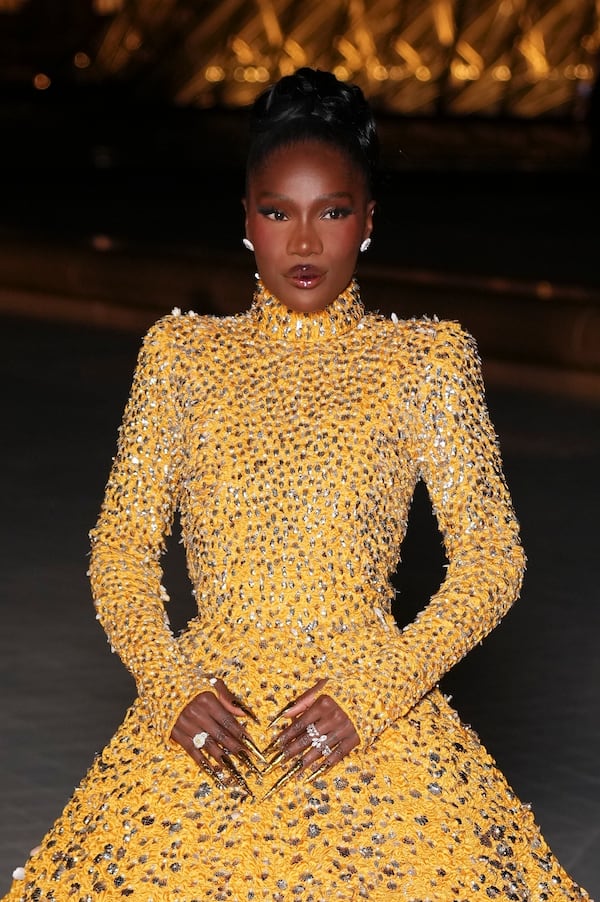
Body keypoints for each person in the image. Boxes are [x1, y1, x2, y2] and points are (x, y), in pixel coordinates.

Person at [3, 67, 591, 901]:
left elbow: (493, 558)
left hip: (369, 713)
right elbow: (121, 552)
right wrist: (170, 686)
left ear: (368, 220)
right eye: (279, 212)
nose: (305, 242)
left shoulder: (426, 362)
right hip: (210, 720)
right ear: (245, 220)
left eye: (333, 211)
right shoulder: (181, 359)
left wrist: (376, 690)